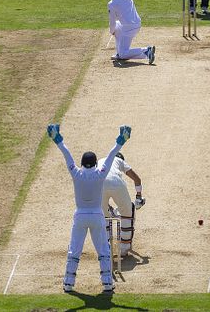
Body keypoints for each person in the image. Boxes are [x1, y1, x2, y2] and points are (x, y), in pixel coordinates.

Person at [47, 123, 132, 294]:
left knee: (74, 250)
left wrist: (57, 139)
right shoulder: (100, 173)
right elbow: (111, 155)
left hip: (80, 216)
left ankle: (68, 283)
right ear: (94, 163)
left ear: (82, 163)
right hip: (96, 217)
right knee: (103, 250)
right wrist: (121, 140)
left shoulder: (76, 173)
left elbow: (67, 155)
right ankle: (107, 284)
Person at [108, 0, 155, 64]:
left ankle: (146, 51)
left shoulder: (111, 4)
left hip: (129, 29)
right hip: (136, 23)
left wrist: (111, 31)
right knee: (117, 27)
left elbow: (111, 22)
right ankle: (118, 53)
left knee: (124, 54)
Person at [100, 152, 146, 257]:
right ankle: (124, 248)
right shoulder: (119, 161)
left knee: (103, 216)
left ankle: (106, 249)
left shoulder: (101, 161)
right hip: (116, 182)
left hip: (98, 183)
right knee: (127, 213)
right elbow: (137, 179)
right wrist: (139, 197)